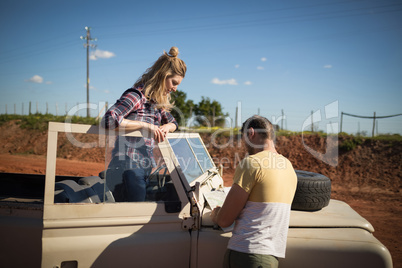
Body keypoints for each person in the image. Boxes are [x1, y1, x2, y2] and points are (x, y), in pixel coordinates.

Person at [101, 46, 186, 202]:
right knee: (136, 215)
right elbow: (109, 120)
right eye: (174, 82)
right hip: (127, 168)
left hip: (143, 168)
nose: (175, 89)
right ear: (162, 76)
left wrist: (168, 127)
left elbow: (174, 123)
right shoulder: (136, 96)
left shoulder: (156, 103)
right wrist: (144, 126)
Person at [211, 115, 297, 268]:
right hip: (270, 257)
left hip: (245, 253)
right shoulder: (288, 166)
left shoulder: (252, 163)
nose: (244, 144)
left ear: (251, 133)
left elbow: (225, 220)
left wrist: (216, 213)